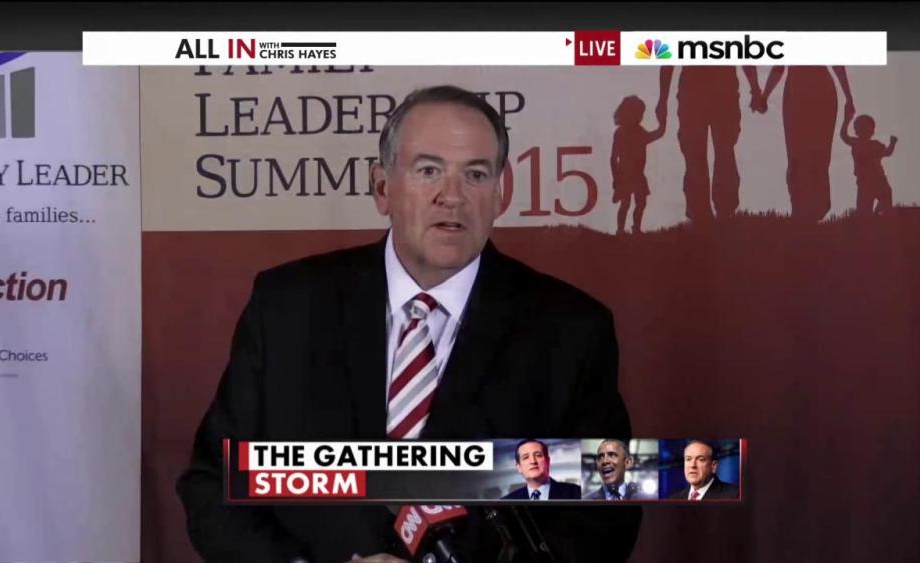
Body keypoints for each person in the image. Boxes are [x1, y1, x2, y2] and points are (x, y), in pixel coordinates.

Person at [176, 85, 641, 563]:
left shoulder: (571, 330)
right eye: (428, 170)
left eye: (476, 174)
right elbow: (215, 485)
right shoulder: (286, 306)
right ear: (383, 188)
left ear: (501, 193)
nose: (453, 197)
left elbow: (605, 515)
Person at [654, 66, 764, 223]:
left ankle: (717, 212)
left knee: (717, 153)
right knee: (708, 154)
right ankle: (706, 213)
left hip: (714, 92)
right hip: (706, 92)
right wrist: (755, 89)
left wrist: (755, 89)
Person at [757, 66, 855, 223]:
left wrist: (764, 96)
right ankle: (806, 208)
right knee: (807, 156)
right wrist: (764, 96)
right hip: (805, 92)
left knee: (810, 156)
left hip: (809, 92)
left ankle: (811, 208)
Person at [610, 95, 665, 235]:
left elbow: (657, 134)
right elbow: (613, 158)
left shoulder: (639, 132)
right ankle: (620, 230)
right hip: (624, 175)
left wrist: (662, 123)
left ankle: (636, 228)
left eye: (641, 114)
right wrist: (616, 178)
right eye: (638, 113)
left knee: (641, 202)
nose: (640, 117)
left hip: (638, 175)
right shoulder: (620, 133)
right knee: (625, 204)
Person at [840, 106, 898, 217]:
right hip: (864, 180)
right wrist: (847, 120)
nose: (865, 130)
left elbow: (887, 152)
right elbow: (844, 135)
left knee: (886, 196)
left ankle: (879, 213)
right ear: (857, 131)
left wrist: (892, 143)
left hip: (878, 177)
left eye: (868, 127)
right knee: (864, 209)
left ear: (872, 130)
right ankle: (871, 217)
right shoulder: (856, 143)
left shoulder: (876, 145)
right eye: (862, 127)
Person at [501, 439, 582, 500]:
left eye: (538, 455)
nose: (533, 461)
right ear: (519, 467)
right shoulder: (507, 501)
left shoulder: (576, 493)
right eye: (526, 457)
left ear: (548, 461)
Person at [668, 440, 739, 501]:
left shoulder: (734, 496)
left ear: (713, 466)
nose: (692, 465)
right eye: (688, 459)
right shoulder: (673, 499)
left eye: (700, 459)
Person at [583, 439, 653, 500]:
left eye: (612, 455)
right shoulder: (585, 501)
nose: (604, 461)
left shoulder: (648, 499)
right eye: (600, 457)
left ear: (628, 462)